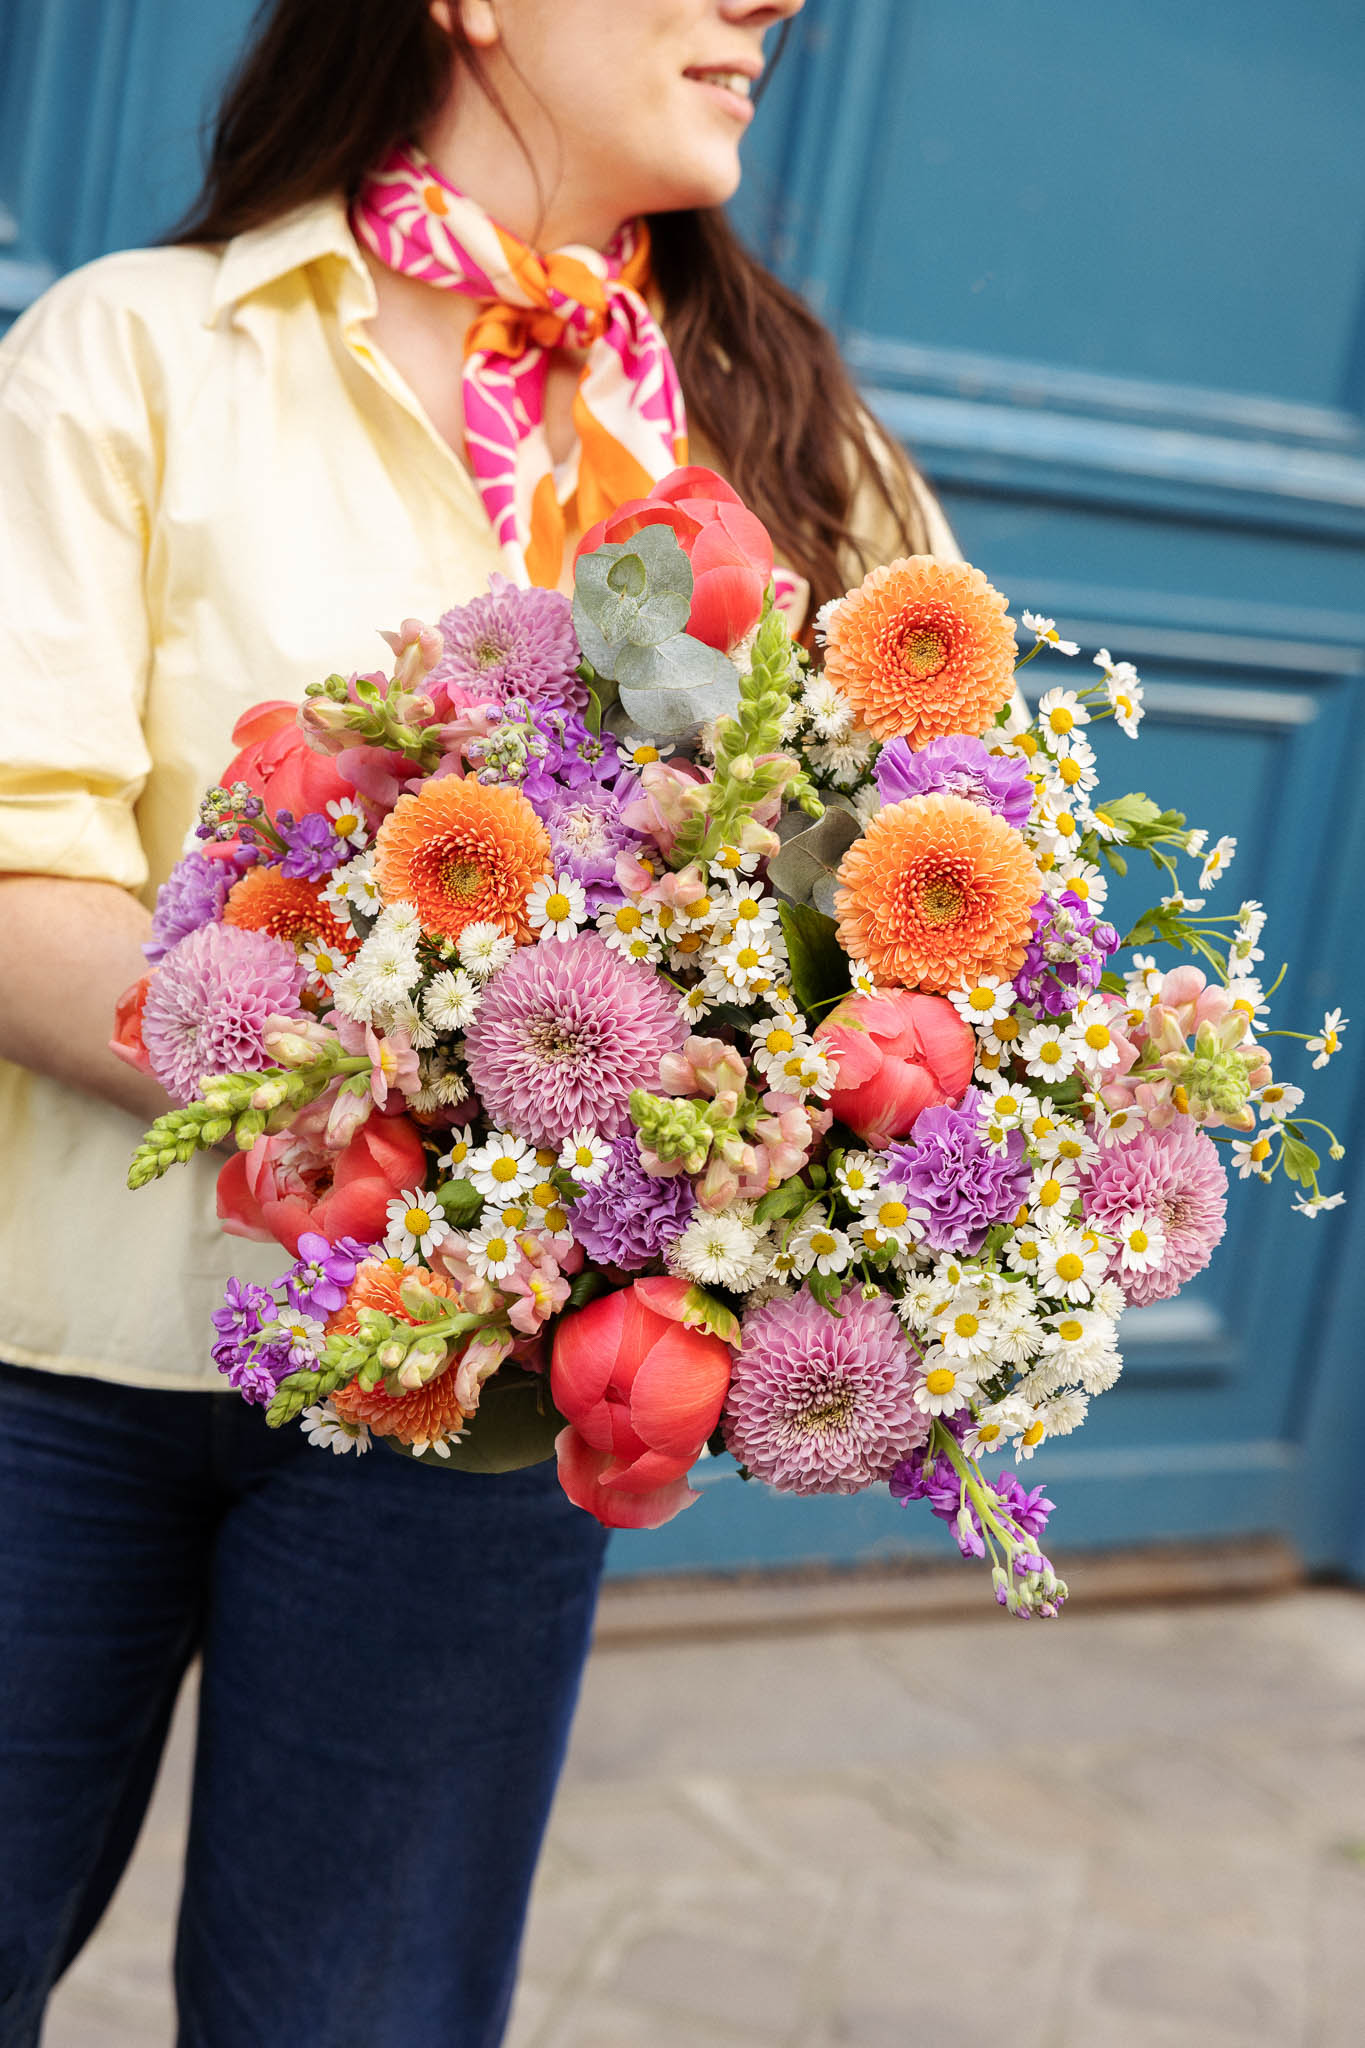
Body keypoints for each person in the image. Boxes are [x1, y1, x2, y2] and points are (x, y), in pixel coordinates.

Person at [0, 3, 961, 2042]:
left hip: (469, 1432)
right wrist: (435, 1088)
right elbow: (15, 878)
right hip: (50, 1369)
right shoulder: (140, 350)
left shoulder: (797, 442)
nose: (766, 2)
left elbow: (938, 911)